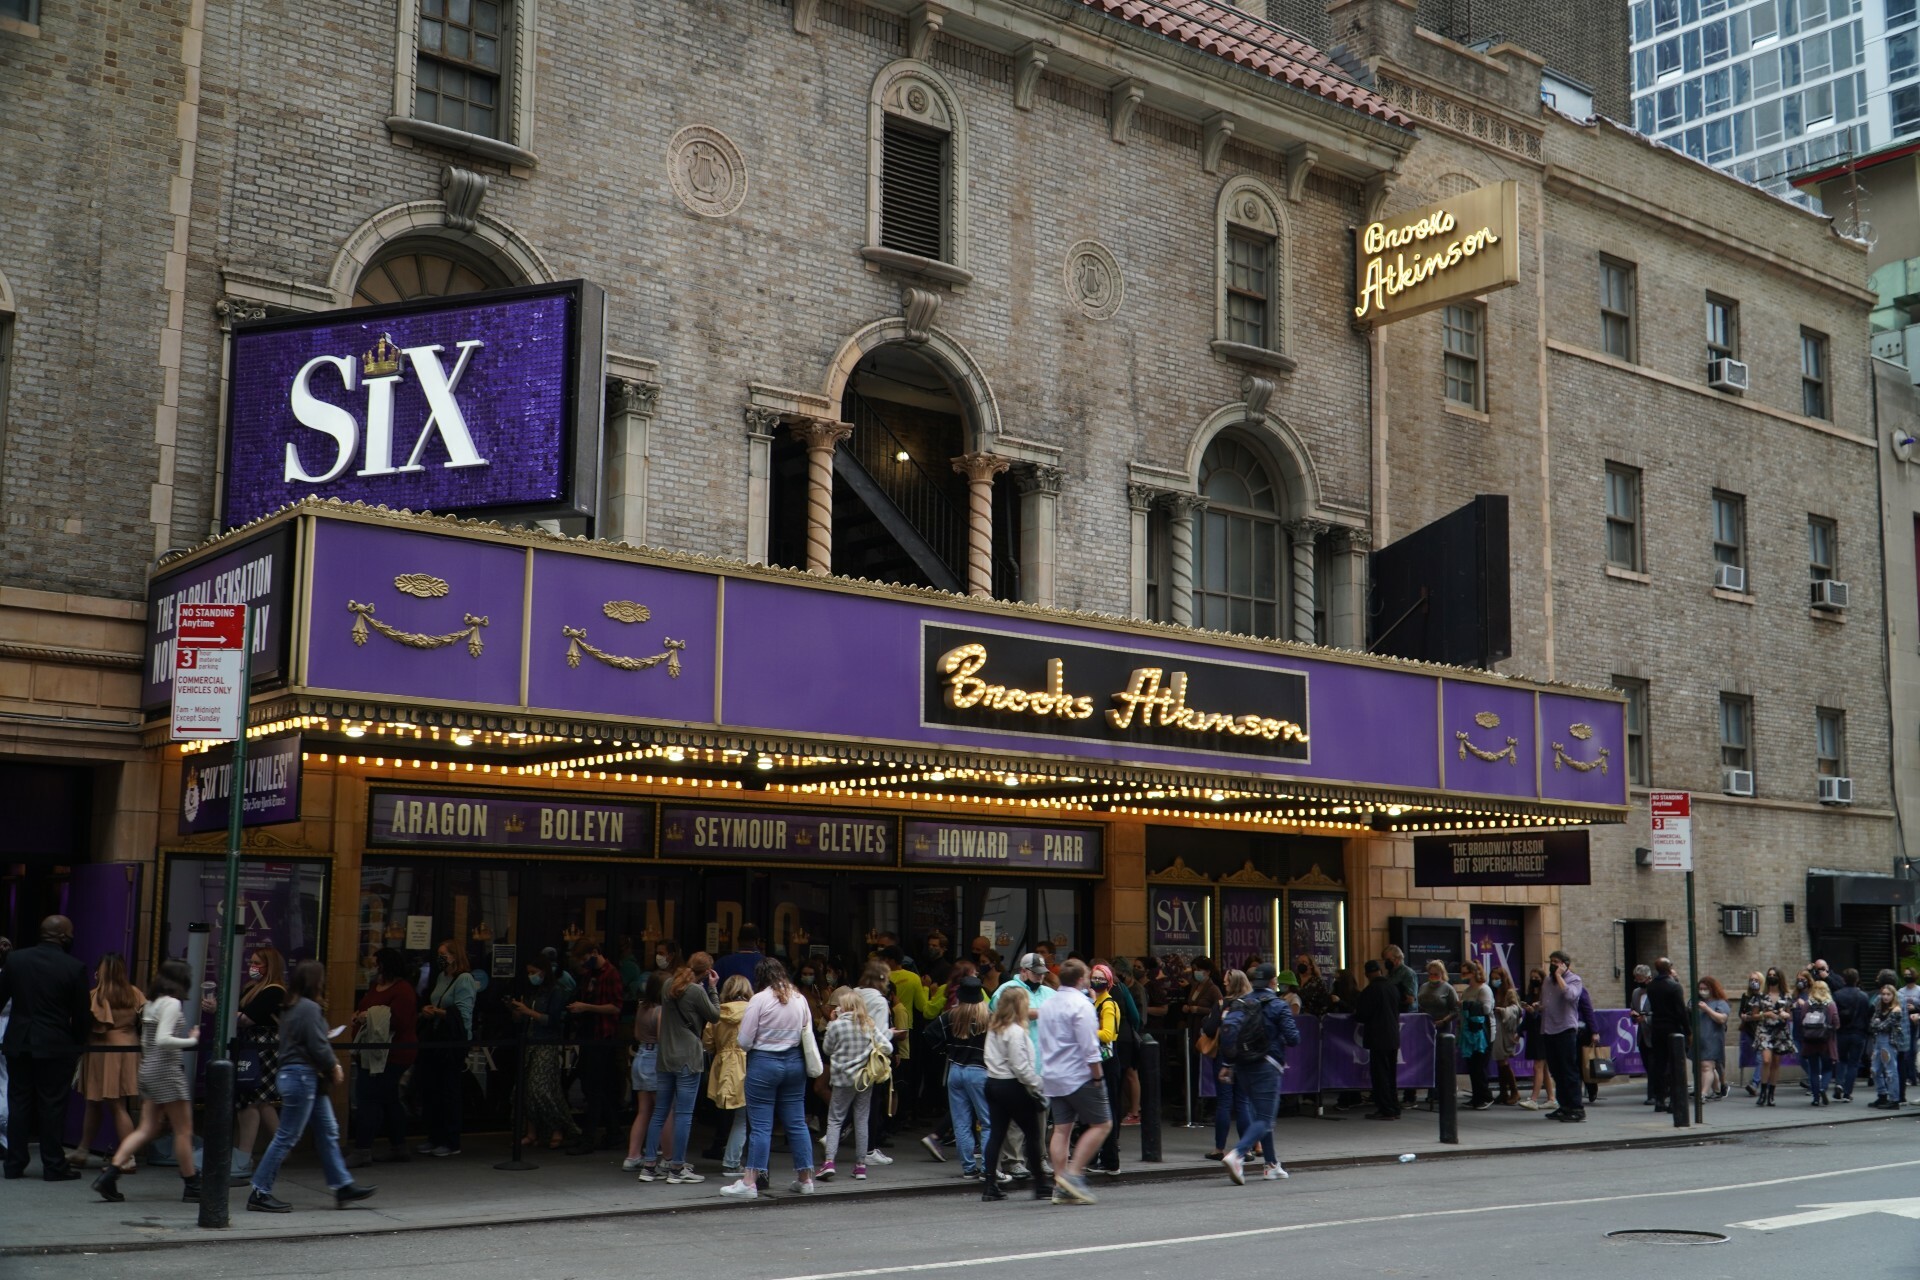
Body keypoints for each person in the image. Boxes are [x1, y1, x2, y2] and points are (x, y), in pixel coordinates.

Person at [234, 961, 377, 1213]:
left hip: (297, 1075)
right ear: (315, 981)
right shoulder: (309, 1007)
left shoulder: (292, 1006)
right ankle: (260, 1190)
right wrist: (334, 1066)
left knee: (328, 1129)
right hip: (303, 1076)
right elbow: (317, 1046)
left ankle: (342, 1185)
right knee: (287, 1135)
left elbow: (306, 1038)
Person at [92, 958, 200, 1203]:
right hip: (167, 1071)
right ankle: (192, 1183)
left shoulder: (151, 1004)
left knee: (146, 1128)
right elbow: (164, 1039)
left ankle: (110, 1175)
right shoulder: (172, 1004)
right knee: (184, 1131)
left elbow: (147, 1040)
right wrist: (191, 1040)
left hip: (148, 1069)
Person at [0, 915, 89, 1181]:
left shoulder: (16, 960)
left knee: (19, 1102)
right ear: (64, 936)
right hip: (55, 1042)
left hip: (19, 1040)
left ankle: (14, 1164)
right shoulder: (74, 967)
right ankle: (53, 1165)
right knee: (52, 1106)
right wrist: (77, 1043)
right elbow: (81, 1015)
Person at [722, 957, 817, 1200]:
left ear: (761, 977)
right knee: (796, 1122)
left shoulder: (759, 999)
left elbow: (743, 1040)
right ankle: (805, 1179)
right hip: (795, 1063)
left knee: (761, 1125)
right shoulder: (800, 999)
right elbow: (807, 1030)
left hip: (764, 1064)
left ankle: (750, 1181)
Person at [1218, 963, 1299, 1185]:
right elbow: (1293, 1038)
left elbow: (1227, 1034)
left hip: (1243, 1065)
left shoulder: (1240, 1003)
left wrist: (1227, 1063)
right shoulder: (1279, 1005)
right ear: (1274, 982)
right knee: (1265, 1118)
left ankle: (1271, 1165)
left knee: (1262, 1115)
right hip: (1268, 1065)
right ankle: (1238, 1155)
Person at [641, 953, 717, 1182]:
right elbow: (715, 1015)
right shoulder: (697, 991)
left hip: (665, 1056)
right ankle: (677, 1167)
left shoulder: (667, 985)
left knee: (660, 1112)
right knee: (684, 1114)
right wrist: (712, 988)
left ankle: (649, 1166)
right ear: (706, 972)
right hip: (688, 1057)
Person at [1038, 959, 1108, 1205]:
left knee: (1061, 1129)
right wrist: (1097, 1075)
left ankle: (1060, 1185)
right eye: (1088, 975)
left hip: (1053, 1075)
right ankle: (1074, 1174)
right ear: (1081, 979)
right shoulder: (1082, 1004)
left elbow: (1043, 1041)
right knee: (1102, 1124)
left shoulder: (1048, 1004)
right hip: (1079, 1075)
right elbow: (1090, 1048)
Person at [348, 946, 418, 1166]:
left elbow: (398, 1020)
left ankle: (363, 1149)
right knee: (388, 1099)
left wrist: (367, 1016)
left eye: (376, 963)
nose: (373, 967)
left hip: (392, 1054)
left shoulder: (403, 990)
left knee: (368, 1097)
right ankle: (398, 1146)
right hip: (372, 1051)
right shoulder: (375, 987)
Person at [505, 950, 579, 1152]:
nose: (531, 976)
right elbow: (525, 1018)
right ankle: (532, 1132)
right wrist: (517, 1011)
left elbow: (552, 1020)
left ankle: (558, 1127)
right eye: (529, 972)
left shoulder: (556, 991)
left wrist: (528, 1012)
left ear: (544, 971)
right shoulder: (532, 992)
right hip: (530, 1042)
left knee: (541, 1089)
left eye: (534, 972)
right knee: (525, 1090)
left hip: (547, 1043)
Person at [981, 983, 1048, 1202]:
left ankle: (990, 1184)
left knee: (997, 1134)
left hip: (993, 1083)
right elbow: (1021, 1067)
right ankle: (1040, 1184)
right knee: (1033, 1135)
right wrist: (1038, 1085)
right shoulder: (1016, 1032)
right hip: (1013, 1087)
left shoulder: (994, 1028)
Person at [76, 953, 143, 1168]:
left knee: (98, 1103)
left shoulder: (96, 995)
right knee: (116, 1104)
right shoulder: (134, 993)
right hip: (129, 1048)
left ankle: (126, 1158)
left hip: (102, 1049)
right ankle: (83, 1150)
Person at [818, 986, 886, 1181]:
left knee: (835, 1119)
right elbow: (887, 1047)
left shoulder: (837, 1025)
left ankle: (829, 1162)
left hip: (842, 1079)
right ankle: (860, 1166)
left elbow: (827, 1049)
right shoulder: (869, 1024)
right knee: (861, 1120)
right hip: (864, 1079)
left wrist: (832, 1022)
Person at [565, 937, 625, 1155]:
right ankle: (613, 1131)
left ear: (594, 952)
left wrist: (586, 1007)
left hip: (603, 1037)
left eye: (584, 958)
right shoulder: (590, 975)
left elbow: (616, 1007)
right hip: (590, 1034)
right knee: (597, 1087)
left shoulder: (611, 974)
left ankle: (591, 1136)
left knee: (595, 1088)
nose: (583, 963)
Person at [417, 939, 476, 1157]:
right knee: (432, 1089)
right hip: (435, 1037)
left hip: (452, 1041)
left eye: (444, 954)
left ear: (454, 955)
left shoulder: (464, 979)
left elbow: (463, 1014)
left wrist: (439, 1012)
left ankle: (451, 1140)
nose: (441, 958)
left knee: (449, 1091)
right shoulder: (442, 977)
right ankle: (434, 1136)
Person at [703, 974, 753, 1177]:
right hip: (747, 1063)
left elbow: (707, 1043)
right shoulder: (752, 1010)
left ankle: (730, 1156)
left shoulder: (717, 1013)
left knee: (731, 1116)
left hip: (723, 1065)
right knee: (744, 1117)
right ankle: (732, 1162)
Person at [1200, 969, 1252, 1155]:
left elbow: (1209, 1029)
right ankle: (1246, 1150)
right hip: (1246, 1057)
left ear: (1233, 984)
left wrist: (1208, 1019)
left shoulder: (1222, 1004)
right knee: (1243, 1103)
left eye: (1226, 982)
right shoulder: (1251, 1004)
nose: (1224, 984)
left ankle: (1219, 1148)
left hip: (1225, 1056)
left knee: (1224, 1102)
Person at [620, 971, 662, 1170]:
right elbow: (663, 1038)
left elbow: (637, 1034)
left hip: (641, 1054)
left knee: (643, 1110)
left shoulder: (642, 1008)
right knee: (661, 1111)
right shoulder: (660, 1011)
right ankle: (656, 1155)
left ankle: (633, 1155)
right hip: (655, 1057)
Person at [1539, 950, 1586, 1123]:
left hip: (1565, 1030)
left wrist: (1559, 976)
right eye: (1551, 961)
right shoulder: (1547, 981)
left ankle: (1576, 1108)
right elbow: (1547, 1003)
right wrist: (1538, 1007)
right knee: (1557, 1071)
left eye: (1556, 962)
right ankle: (1564, 1106)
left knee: (1568, 1070)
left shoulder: (1574, 979)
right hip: (1549, 1029)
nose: (1553, 965)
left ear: (1565, 964)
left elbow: (1570, 996)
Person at [1354, 960, 1402, 1120]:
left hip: (1377, 1037)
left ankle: (1385, 1109)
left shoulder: (1370, 990)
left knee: (1380, 1074)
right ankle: (1394, 1107)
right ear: (1380, 971)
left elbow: (1361, 1015)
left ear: (1367, 974)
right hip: (1393, 1036)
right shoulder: (1392, 988)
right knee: (1391, 1074)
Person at [1644, 958, 1689, 1112]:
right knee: (1674, 1065)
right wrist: (1688, 1030)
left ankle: (1660, 1100)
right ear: (1669, 968)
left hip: (1657, 1028)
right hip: (1672, 1028)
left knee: (1659, 1064)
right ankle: (1673, 1101)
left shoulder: (1651, 986)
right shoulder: (1674, 987)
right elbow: (1681, 1011)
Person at [1752, 969, 1794, 1106]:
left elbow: (1790, 1015)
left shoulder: (1786, 996)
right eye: (1769, 975)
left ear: (1779, 978)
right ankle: (1762, 1092)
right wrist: (1765, 1014)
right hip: (1765, 1030)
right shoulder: (1760, 996)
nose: (1771, 977)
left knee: (1776, 1063)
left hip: (1780, 1031)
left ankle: (1771, 1094)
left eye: (1774, 975)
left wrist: (1786, 1015)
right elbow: (1754, 1015)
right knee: (1766, 1060)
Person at [1795, 978, 1839, 1106]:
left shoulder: (1807, 1004)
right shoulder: (1830, 1004)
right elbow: (1836, 1023)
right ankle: (1823, 1088)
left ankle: (1815, 1098)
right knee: (1827, 1068)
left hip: (1810, 1041)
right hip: (1826, 1041)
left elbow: (1801, 1020)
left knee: (1813, 1070)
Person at [1458, 960, 1494, 1110]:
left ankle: (1485, 1096)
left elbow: (1486, 1008)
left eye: (1466, 972)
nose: (1463, 975)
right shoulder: (1467, 990)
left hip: (1482, 1031)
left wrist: (1467, 1005)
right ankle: (1476, 1096)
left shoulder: (1483, 989)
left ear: (1473, 973)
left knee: (1480, 1065)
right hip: (1469, 1031)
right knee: (1472, 1066)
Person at [1833, 967, 1873, 1103]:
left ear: (1843, 980)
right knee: (1853, 1063)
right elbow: (1868, 1015)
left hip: (1841, 1033)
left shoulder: (1837, 995)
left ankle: (1838, 1083)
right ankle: (1847, 1092)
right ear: (1857, 980)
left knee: (1841, 1060)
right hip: (1858, 1033)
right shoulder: (1863, 996)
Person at [1518, 966, 1553, 1111]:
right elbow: (1527, 1018)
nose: (1534, 980)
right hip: (1533, 1033)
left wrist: (1534, 1012)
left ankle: (1534, 1099)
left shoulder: (1547, 995)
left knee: (1538, 1066)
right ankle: (1551, 1098)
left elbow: (1546, 1016)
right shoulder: (1530, 995)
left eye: (1537, 978)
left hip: (1543, 1032)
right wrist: (1519, 1031)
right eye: (1532, 977)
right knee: (1543, 1068)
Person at [1694, 976, 1731, 1101]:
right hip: (1700, 1039)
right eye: (1700, 989)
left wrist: (1707, 1009)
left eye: (1705, 988)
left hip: (1713, 1039)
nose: (1702, 991)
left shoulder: (1720, 1003)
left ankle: (1703, 1093)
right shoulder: (1697, 1002)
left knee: (1707, 1066)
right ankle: (1716, 1090)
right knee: (1704, 1067)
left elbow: (1721, 1018)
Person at [1490, 968, 1523, 1105]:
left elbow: (1517, 1009)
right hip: (1497, 1028)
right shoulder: (1494, 991)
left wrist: (1503, 1010)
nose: (1494, 980)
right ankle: (1504, 1092)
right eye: (1493, 978)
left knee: (1503, 1060)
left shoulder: (1509, 992)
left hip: (1505, 1029)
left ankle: (1514, 1092)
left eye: (1497, 978)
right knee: (1499, 1060)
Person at [1870, 984, 1904, 1107]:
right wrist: (1877, 1024)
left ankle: (1894, 1099)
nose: (1885, 997)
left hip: (1889, 1041)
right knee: (1874, 1069)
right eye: (1883, 994)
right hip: (1878, 1040)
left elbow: (1885, 1026)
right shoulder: (1880, 1008)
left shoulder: (1896, 1010)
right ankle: (1882, 1095)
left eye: (1888, 994)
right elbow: (1872, 1023)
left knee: (1890, 1070)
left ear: (1893, 995)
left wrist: (1877, 1024)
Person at [1738, 972, 1767, 1096]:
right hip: (1748, 1030)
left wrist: (1754, 1017)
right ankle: (1760, 1081)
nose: (1753, 982)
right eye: (1751, 979)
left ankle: (1755, 1083)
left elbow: (1766, 1013)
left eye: (1756, 979)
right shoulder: (1746, 996)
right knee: (1755, 1057)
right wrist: (1744, 1016)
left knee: (1761, 1058)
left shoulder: (1764, 996)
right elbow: (1741, 1011)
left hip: (1761, 1030)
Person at [715, 924, 764, 989]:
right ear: (758, 941)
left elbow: (710, 989)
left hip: (728, 999)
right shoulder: (766, 964)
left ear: (738, 940)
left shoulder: (722, 963)